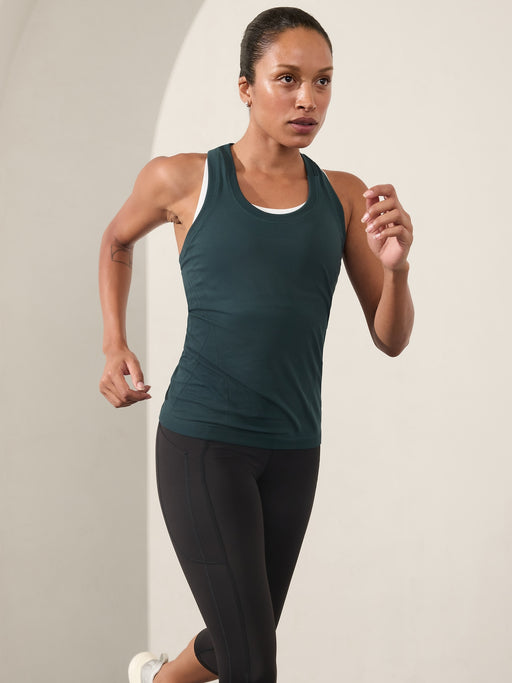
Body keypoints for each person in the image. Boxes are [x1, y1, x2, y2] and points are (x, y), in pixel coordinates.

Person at [99, 7, 414, 683]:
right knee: (252, 658)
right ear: (245, 87)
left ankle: (158, 679)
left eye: (323, 81)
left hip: (295, 448)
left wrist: (396, 270)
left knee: (245, 631)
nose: (308, 99)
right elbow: (117, 241)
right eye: (287, 79)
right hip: (204, 442)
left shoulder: (343, 196)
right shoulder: (184, 179)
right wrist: (113, 343)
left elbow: (390, 338)